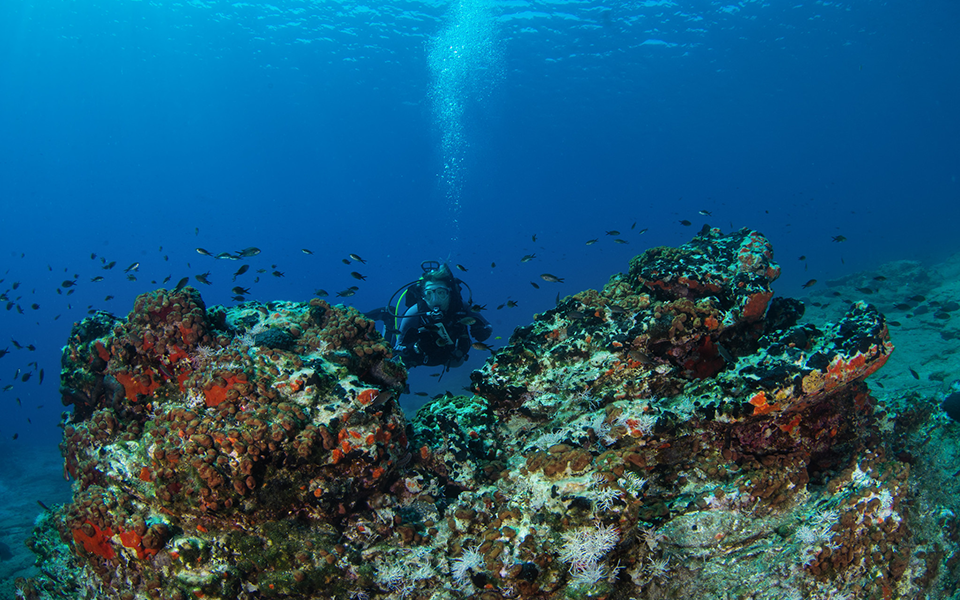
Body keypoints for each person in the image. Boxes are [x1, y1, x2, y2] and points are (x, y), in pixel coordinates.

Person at [367, 261, 492, 371]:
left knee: (456, 363)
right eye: (429, 294)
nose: (435, 300)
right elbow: (398, 349)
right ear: (423, 296)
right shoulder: (414, 312)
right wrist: (415, 348)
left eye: (441, 293)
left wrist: (482, 330)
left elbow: (487, 326)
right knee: (387, 355)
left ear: (450, 293)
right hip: (423, 357)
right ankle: (387, 317)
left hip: (451, 357)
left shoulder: (461, 307)